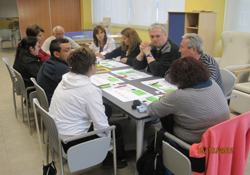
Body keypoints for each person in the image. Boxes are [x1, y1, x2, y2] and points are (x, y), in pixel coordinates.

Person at [49, 47, 135, 169]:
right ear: (91, 67)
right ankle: (111, 158)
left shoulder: (66, 78)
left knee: (105, 111)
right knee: (116, 128)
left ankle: (115, 155)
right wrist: (107, 139)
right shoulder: (90, 91)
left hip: (59, 135)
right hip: (74, 143)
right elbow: (102, 127)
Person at [148, 57, 230, 144]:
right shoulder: (213, 84)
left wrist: (164, 99)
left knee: (151, 140)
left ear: (176, 77)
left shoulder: (177, 97)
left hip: (194, 145)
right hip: (220, 139)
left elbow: (152, 111)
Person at [37, 38, 71, 104]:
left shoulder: (49, 62)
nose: (71, 52)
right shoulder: (61, 69)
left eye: (70, 49)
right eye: (67, 50)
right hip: (57, 104)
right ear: (56, 54)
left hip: (49, 101)